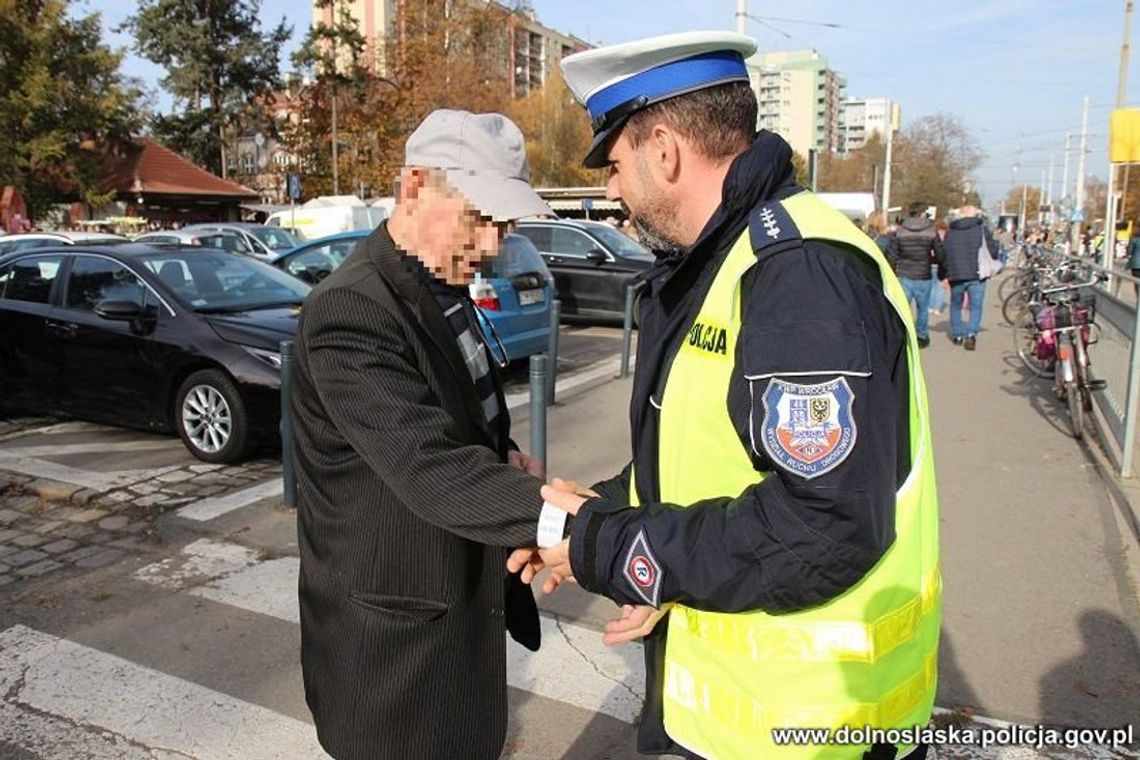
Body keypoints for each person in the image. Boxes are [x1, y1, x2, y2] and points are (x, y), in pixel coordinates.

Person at [511, 31, 941, 760]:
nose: (611, 191)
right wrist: (595, 511)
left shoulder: (797, 274)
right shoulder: (727, 259)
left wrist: (609, 547)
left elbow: (820, 527)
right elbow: (705, 455)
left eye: (614, 166)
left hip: (808, 732)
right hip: (731, 714)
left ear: (665, 149)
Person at [291, 109, 554, 760]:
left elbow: (458, 416)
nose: (493, 244)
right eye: (479, 217)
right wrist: (573, 522)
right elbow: (427, 465)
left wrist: (503, 456)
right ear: (414, 187)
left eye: (506, 224)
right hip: (395, 664)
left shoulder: (441, 283)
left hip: (456, 623)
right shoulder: (350, 310)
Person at [941, 206, 999, 350]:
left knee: (955, 305)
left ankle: (957, 334)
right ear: (975, 215)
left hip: (956, 274)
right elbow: (992, 249)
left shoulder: (951, 231)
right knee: (975, 306)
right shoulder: (982, 230)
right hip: (977, 274)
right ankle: (971, 334)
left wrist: (945, 274)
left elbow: (944, 254)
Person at [888, 202, 945, 347]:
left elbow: (893, 254)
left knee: (902, 307)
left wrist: (892, 271)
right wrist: (936, 262)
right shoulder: (931, 230)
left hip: (904, 273)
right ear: (922, 213)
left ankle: (899, 335)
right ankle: (921, 336)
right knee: (922, 308)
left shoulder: (901, 230)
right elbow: (940, 254)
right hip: (923, 274)